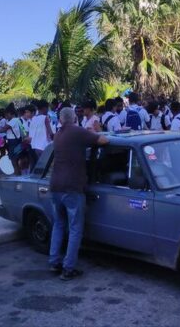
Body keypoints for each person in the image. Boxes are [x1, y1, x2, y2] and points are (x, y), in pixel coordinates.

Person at [49, 107, 109, 281]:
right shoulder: (77, 131)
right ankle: (68, 268)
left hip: (56, 186)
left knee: (59, 225)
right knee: (75, 228)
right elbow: (103, 140)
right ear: (74, 117)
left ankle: (54, 262)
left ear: (60, 120)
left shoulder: (58, 135)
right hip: (72, 187)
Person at [0, 106, 22, 175]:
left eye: (7, 114)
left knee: (14, 160)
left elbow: (3, 129)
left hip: (13, 142)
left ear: (10, 113)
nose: (6, 116)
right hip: (17, 141)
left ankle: (17, 176)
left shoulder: (13, 121)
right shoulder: (18, 120)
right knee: (16, 160)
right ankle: (18, 175)